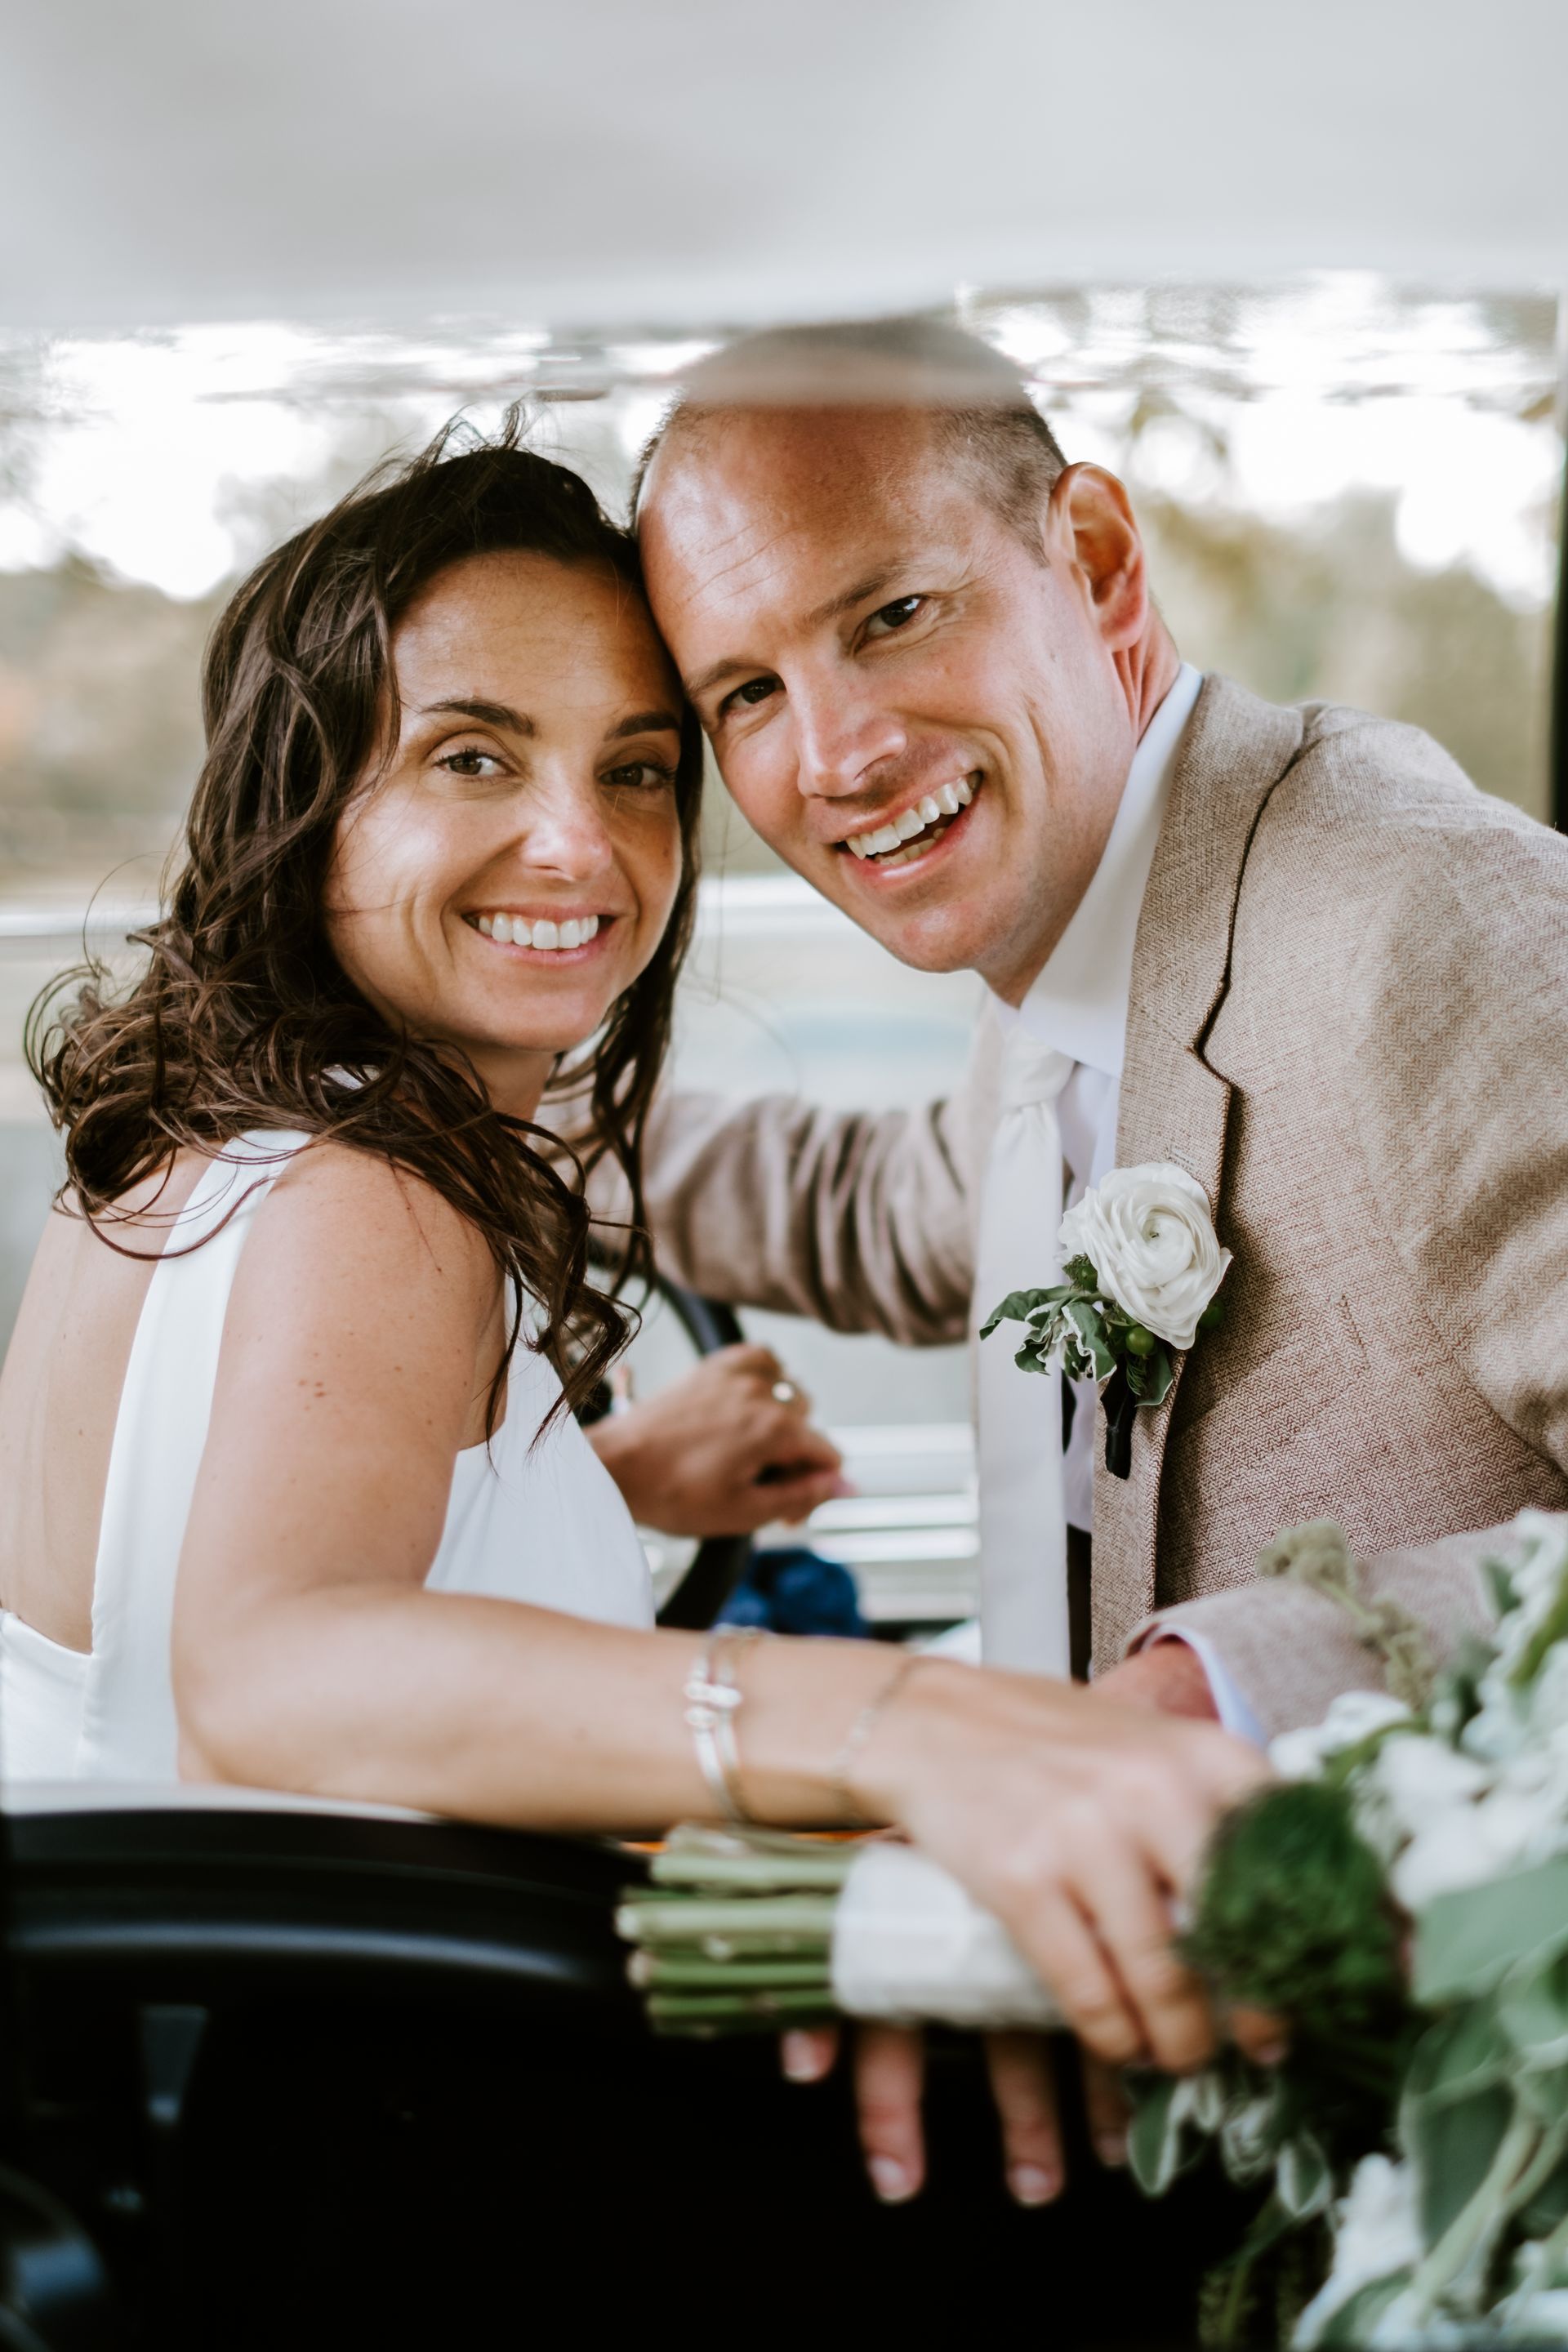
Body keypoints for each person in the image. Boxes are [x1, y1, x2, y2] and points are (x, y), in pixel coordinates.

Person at [0, 417, 1267, 2211]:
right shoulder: (383, 1196)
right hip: (429, 2169)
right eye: (473, 754)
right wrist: (911, 1731)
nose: (578, 846)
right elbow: (264, 1669)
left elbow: (214, 1553)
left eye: (642, 769)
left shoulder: (164, 1161)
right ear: (304, 794)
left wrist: (602, 1482)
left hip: (205, 2149)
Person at [606, 315, 1568, 2185]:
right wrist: (480, 1111)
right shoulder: (1074, 931)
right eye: (745, 694)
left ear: (1101, 564)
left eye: (891, 615)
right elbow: (897, 1214)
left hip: (1428, 2132)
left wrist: (1223, 1687)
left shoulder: (1425, 923)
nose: (838, 757)